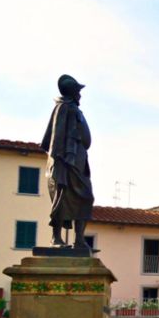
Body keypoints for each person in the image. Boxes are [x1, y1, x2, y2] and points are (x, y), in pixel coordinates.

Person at [40, 74, 94, 249]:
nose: (81, 95)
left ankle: (79, 239)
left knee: (86, 198)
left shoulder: (73, 109)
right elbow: (55, 138)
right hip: (65, 163)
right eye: (78, 91)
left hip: (78, 162)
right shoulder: (64, 108)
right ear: (73, 92)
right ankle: (56, 238)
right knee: (61, 199)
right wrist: (60, 163)